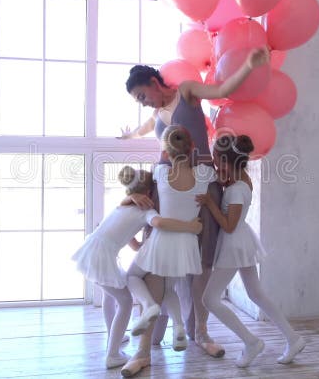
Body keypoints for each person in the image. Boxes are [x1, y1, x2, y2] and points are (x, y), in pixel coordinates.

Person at [118, 47, 270, 377]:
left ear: (156, 82)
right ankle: (149, 340)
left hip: (201, 181)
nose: (146, 103)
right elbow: (145, 130)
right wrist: (129, 134)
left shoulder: (187, 91)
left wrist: (248, 63)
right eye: (139, 101)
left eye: (144, 95)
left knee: (202, 260)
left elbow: (222, 91)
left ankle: (200, 331)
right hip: (167, 184)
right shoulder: (156, 115)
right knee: (158, 253)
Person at [71, 166, 201, 369]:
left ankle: (115, 337)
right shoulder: (145, 210)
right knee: (125, 301)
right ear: (150, 193)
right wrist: (189, 227)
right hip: (102, 256)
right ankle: (113, 354)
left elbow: (126, 234)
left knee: (111, 296)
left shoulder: (124, 204)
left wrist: (141, 247)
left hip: (93, 251)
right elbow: (159, 223)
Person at [196, 134, 306, 367]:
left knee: (209, 299)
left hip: (234, 244)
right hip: (241, 241)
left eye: (216, 157)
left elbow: (229, 225)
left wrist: (210, 203)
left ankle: (250, 341)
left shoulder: (236, 188)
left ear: (225, 161)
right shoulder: (241, 180)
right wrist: (224, 183)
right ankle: (293, 338)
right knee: (256, 294)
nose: (213, 162)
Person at [125, 126, 214, 354]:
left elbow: (149, 179)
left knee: (133, 276)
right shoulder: (204, 173)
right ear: (192, 148)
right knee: (168, 288)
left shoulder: (161, 172)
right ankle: (180, 326)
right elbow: (213, 172)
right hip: (187, 244)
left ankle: (149, 306)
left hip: (162, 241)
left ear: (166, 153)